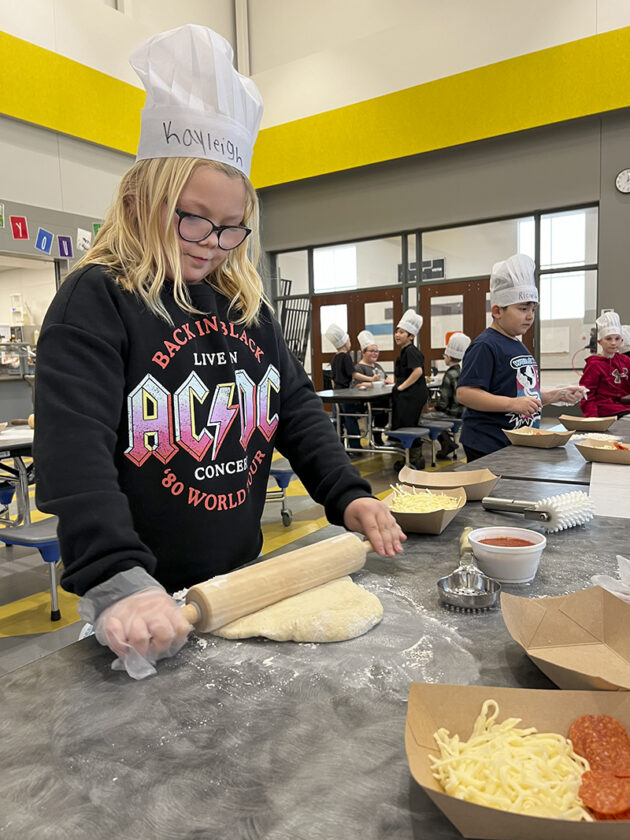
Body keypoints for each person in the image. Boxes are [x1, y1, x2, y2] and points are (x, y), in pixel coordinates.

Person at [33, 25, 405, 679]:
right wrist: (119, 575)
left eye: (232, 226)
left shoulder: (244, 306)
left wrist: (349, 493)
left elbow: (294, 409)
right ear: (137, 201)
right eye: (193, 217)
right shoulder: (98, 301)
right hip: (140, 604)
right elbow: (74, 461)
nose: (213, 241)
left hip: (241, 587)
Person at [457, 254, 586, 462]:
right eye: (523, 309)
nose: (529, 316)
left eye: (533, 310)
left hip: (516, 441)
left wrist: (557, 394)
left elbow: (523, 394)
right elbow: (465, 393)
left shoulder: (518, 345)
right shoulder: (485, 345)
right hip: (489, 443)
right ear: (498, 311)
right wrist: (511, 405)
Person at [390, 308, 428, 470]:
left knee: (407, 425)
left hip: (411, 395)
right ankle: (413, 458)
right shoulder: (406, 351)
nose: (397, 335)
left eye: (402, 332)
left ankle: (412, 460)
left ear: (411, 336)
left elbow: (417, 371)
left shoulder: (411, 351)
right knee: (409, 424)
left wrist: (401, 388)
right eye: (397, 331)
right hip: (411, 394)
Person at [579, 311, 630, 417]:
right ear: (599, 341)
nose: (613, 343)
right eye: (608, 339)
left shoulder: (625, 361)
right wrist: (592, 418)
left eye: (617, 339)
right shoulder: (594, 365)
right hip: (605, 411)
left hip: (624, 407)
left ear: (621, 341)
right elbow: (587, 393)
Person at [432, 331, 471, 458]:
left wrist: (435, 408)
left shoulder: (449, 375)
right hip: (464, 411)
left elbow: (443, 402)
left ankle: (446, 443)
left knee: (428, 418)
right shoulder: (462, 371)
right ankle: (448, 442)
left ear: (449, 357)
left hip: (452, 413)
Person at [326, 323, 363, 452]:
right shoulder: (346, 357)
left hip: (337, 393)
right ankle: (355, 446)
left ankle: (338, 446)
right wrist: (372, 379)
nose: (350, 342)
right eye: (349, 340)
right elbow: (354, 374)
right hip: (346, 393)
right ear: (344, 342)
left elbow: (332, 378)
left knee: (337, 419)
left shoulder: (335, 358)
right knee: (349, 418)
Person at [353, 329, 393, 445]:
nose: (375, 353)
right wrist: (373, 384)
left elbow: (386, 379)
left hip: (382, 398)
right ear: (364, 352)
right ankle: (377, 436)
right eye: (372, 351)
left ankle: (387, 435)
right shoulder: (359, 368)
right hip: (368, 401)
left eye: (377, 351)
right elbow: (356, 385)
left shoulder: (378, 366)